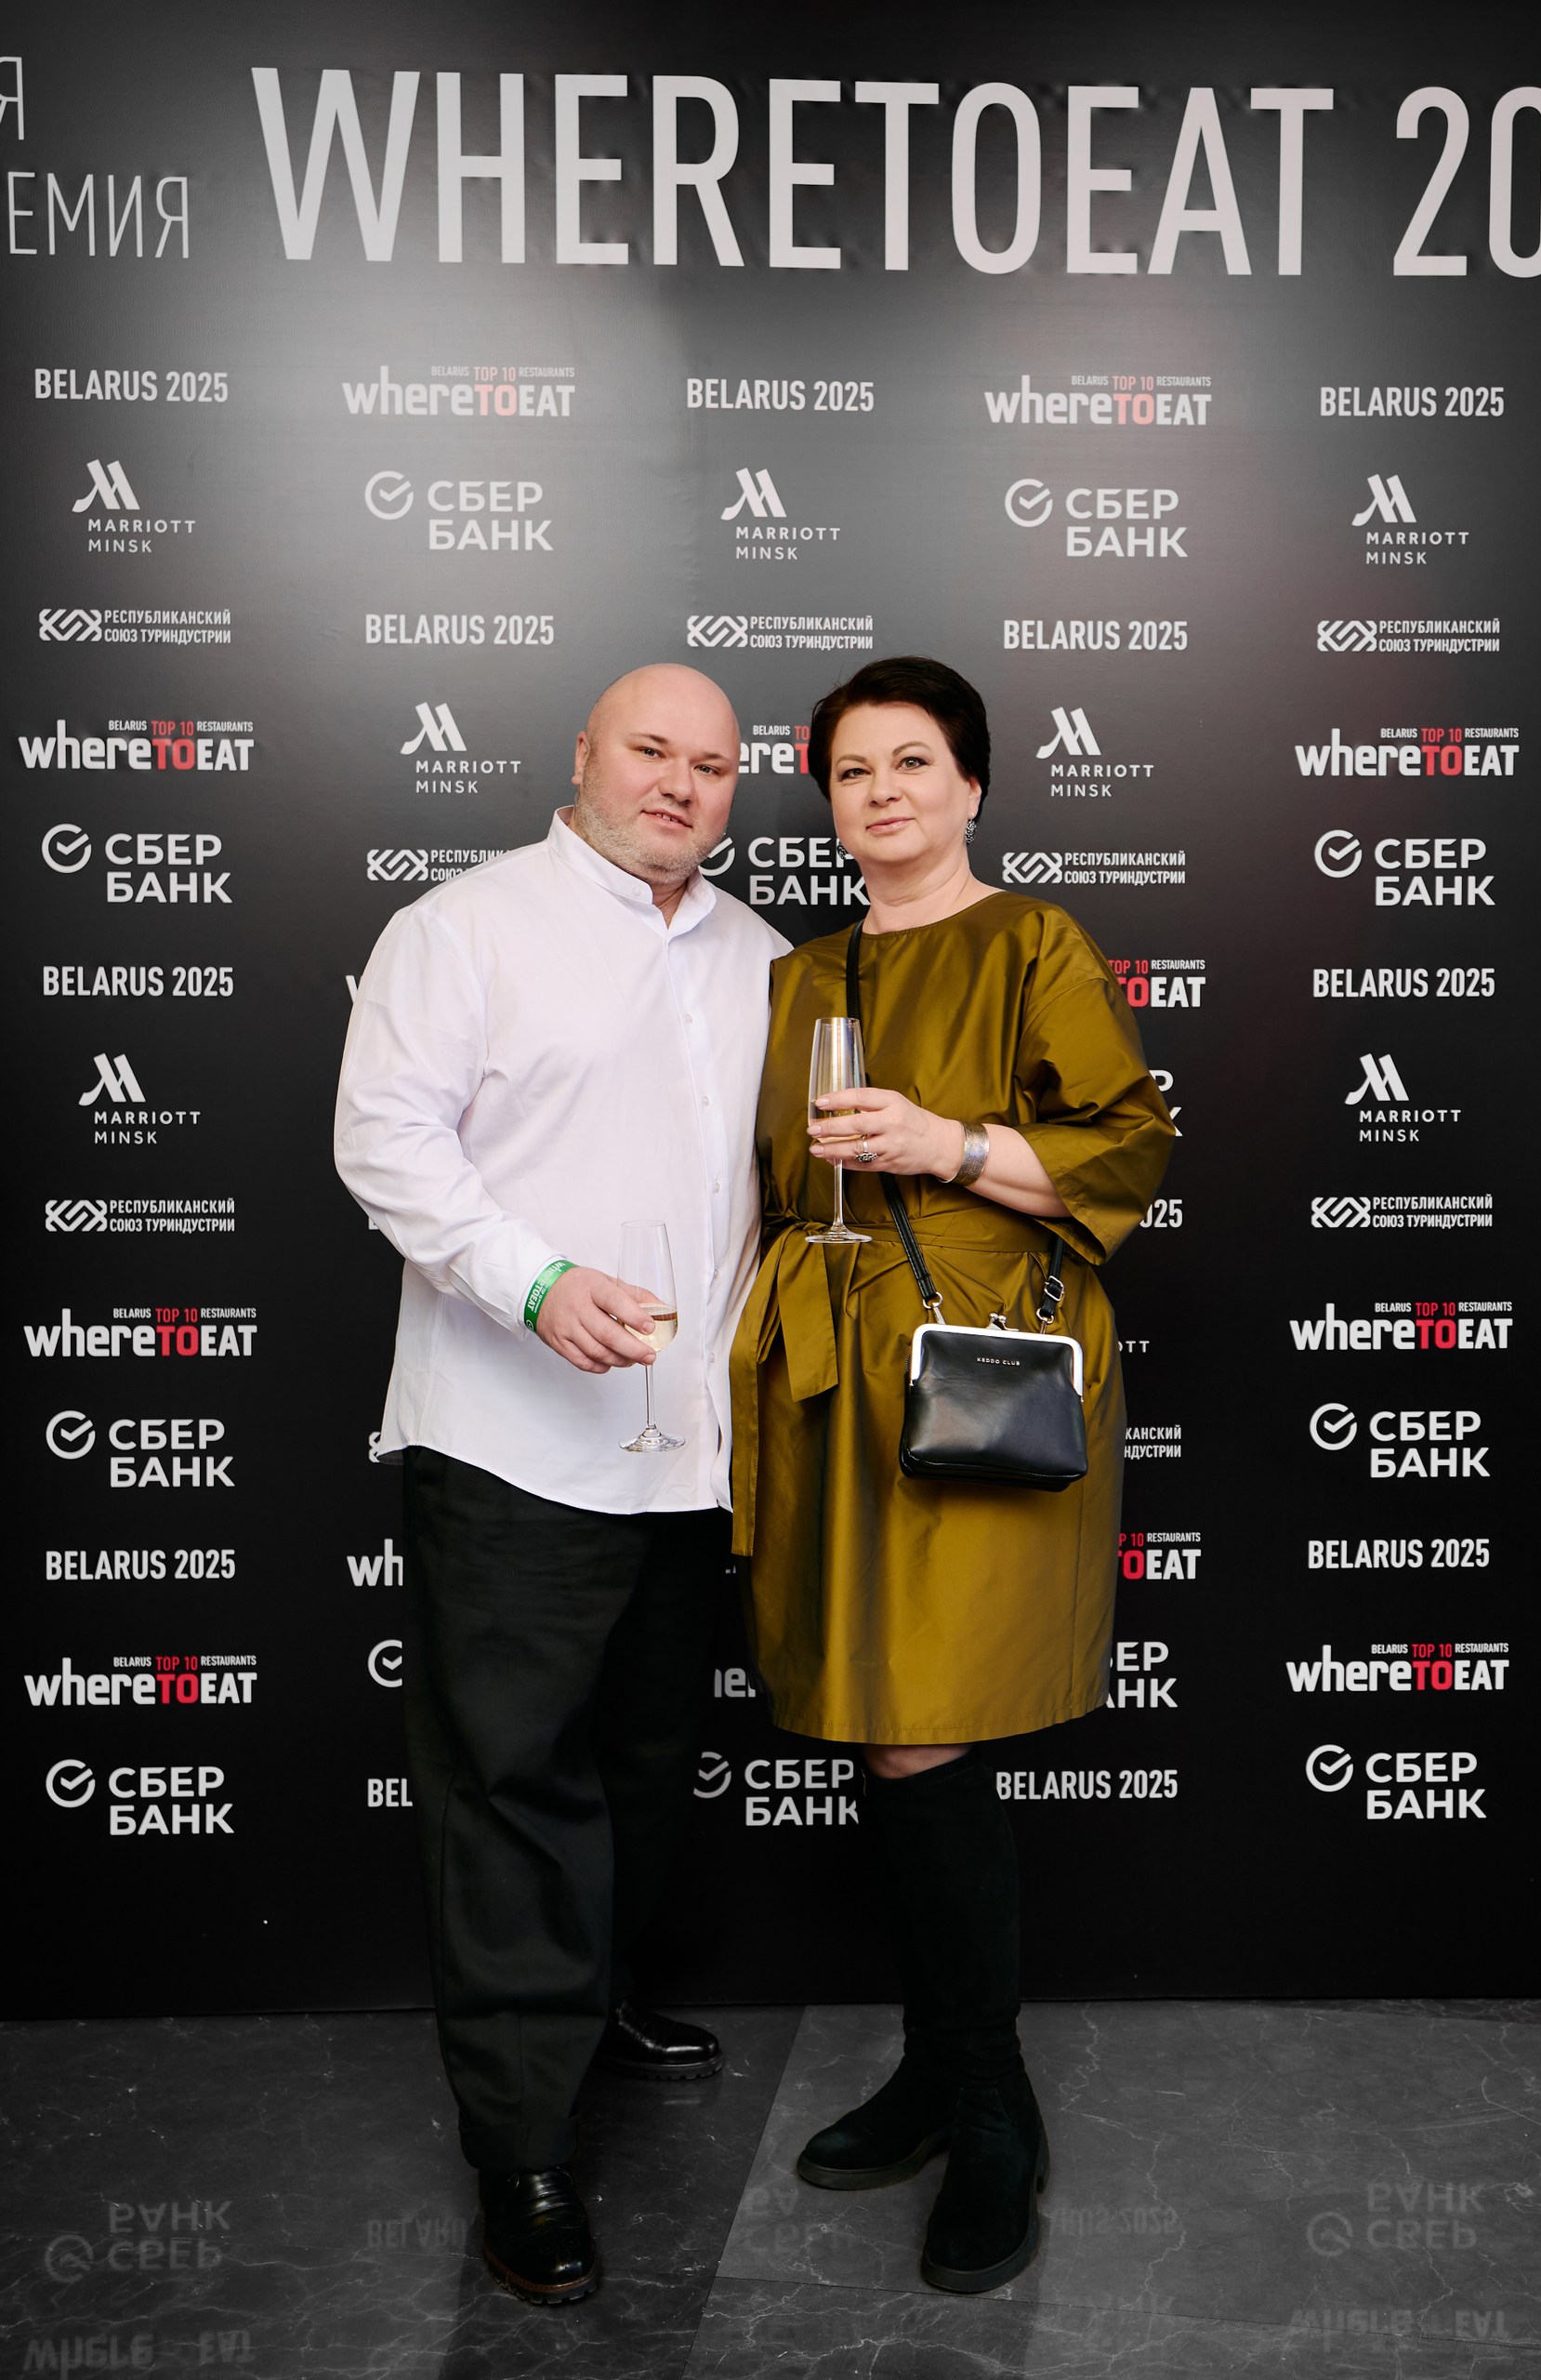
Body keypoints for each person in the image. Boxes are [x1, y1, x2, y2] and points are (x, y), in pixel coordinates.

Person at [335, 664, 788, 2307]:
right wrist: (535, 1284)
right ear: (584, 756)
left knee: (645, 1764)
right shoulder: (462, 929)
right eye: (651, 751)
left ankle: (590, 2005)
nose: (681, 784)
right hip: (514, 1445)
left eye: (713, 766)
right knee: (512, 1790)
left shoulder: (760, 956)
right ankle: (521, 2146)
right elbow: (386, 1141)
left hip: (690, 1458)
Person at [731, 655, 1175, 2294]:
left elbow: (1130, 1147)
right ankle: (940, 2069)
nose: (883, 794)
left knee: (924, 1717)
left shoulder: (1031, 941)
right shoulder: (799, 972)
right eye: (853, 773)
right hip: (826, 1374)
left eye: (913, 763)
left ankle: (990, 2101)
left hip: (974, 1361)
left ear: (972, 785)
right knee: (883, 1718)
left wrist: (952, 1144)